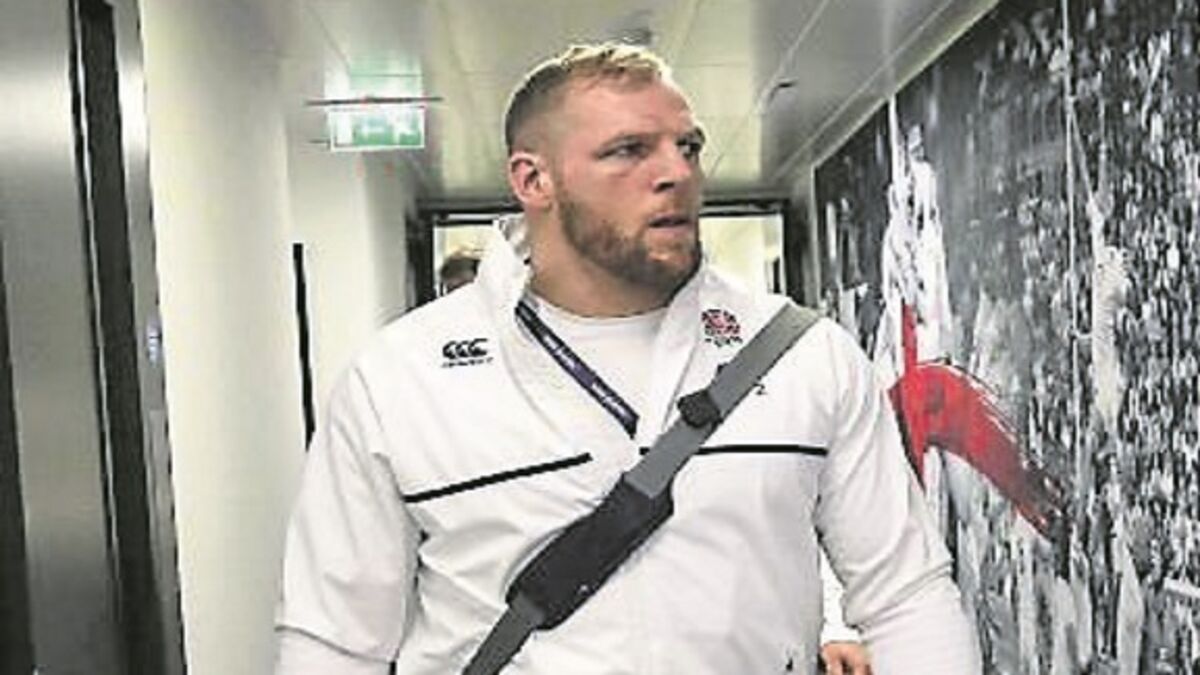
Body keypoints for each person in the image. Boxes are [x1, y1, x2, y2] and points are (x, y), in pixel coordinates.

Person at [274, 43, 980, 674]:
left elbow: (905, 594)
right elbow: (336, 642)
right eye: (628, 150)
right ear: (534, 180)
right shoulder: (400, 378)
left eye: (688, 146)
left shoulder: (803, 354)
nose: (677, 172)